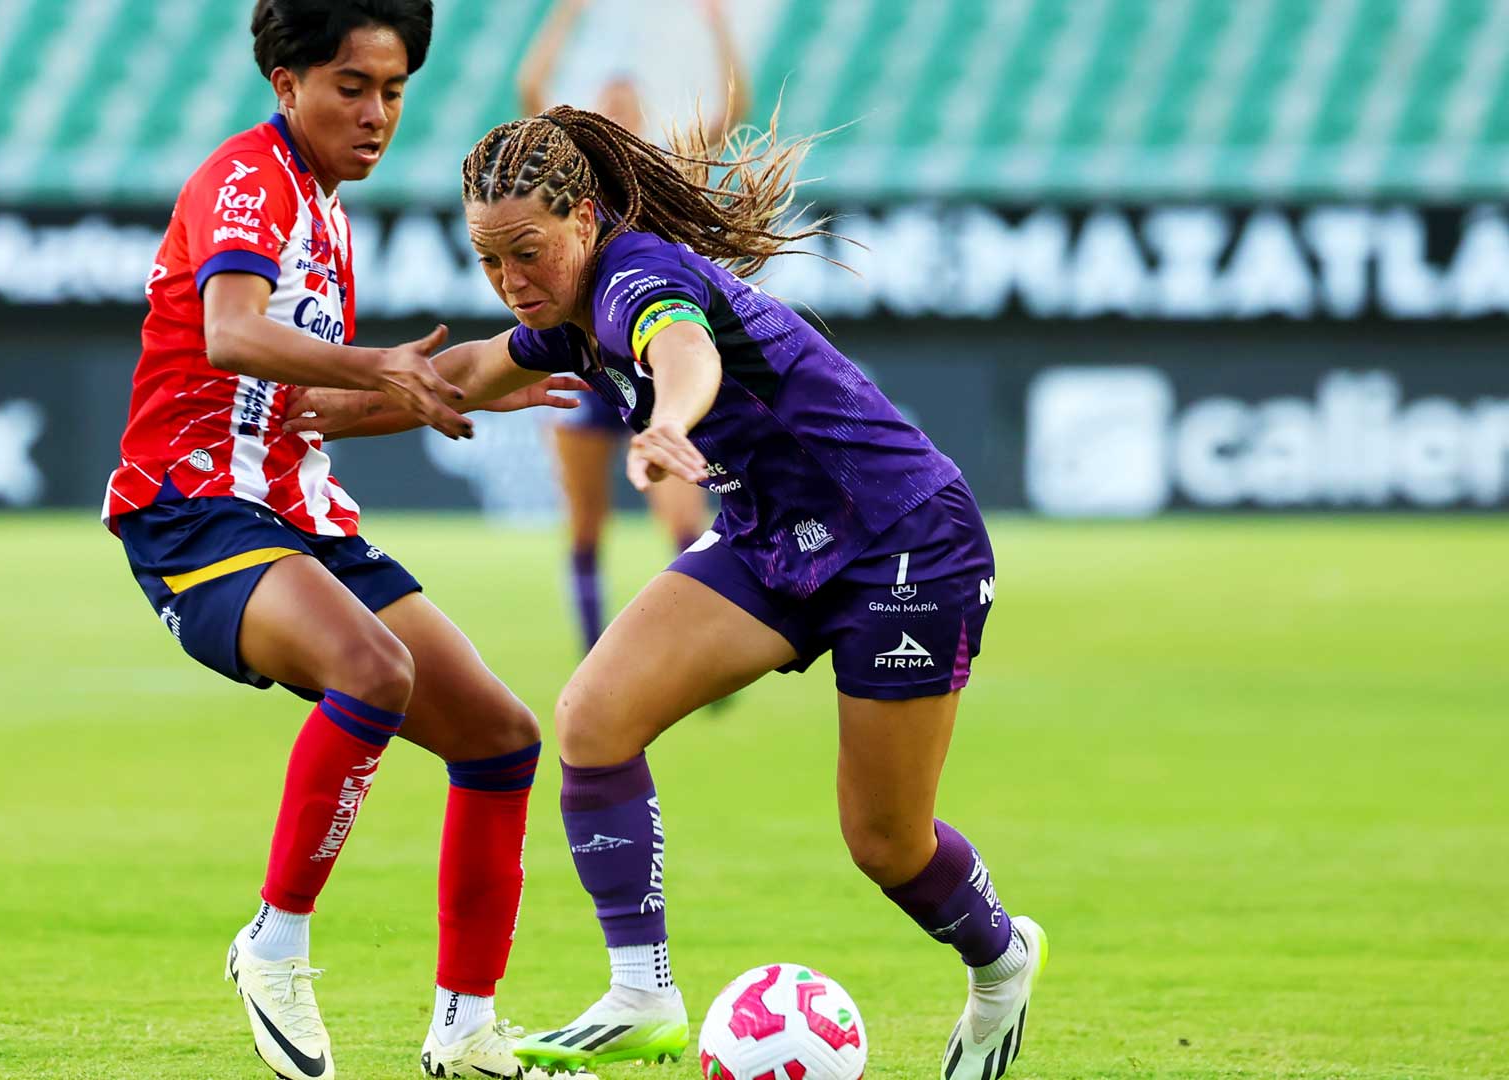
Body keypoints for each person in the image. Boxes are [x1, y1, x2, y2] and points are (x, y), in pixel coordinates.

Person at [285, 104, 1048, 1080]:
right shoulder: (565, 317)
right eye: (489, 261)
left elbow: (685, 350)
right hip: (777, 541)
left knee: (885, 841)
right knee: (593, 718)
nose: (512, 281)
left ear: (586, 220)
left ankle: (1002, 963)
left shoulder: (638, 280)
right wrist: (293, 420)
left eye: (527, 252)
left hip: (903, 540)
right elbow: (464, 372)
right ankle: (643, 993)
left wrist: (666, 423)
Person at [101, 4, 585, 1077]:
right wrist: (381, 366)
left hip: (297, 512)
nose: (376, 115)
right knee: (375, 667)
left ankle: (465, 1030)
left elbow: (304, 413)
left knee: (501, 739)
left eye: (394, 91)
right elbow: (230, 336)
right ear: (286, 84)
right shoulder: (248, 181)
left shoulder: (325, 211)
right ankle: (273, 945)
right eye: (350, 87)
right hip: (192, 513)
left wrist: (437, 396)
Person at [516, 0, 748, 652]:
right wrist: (565, 16)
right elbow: (531, 91)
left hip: (650, 372)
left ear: (643, 115)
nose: (620, 109)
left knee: (685, 519)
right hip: (588, 372)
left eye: (628, 101)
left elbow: (733, 111)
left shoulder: (661, 172)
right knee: (586, 526)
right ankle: (594, 651)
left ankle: (700, 647)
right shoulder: (572, 177)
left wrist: (718, 25)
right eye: (608, 101)